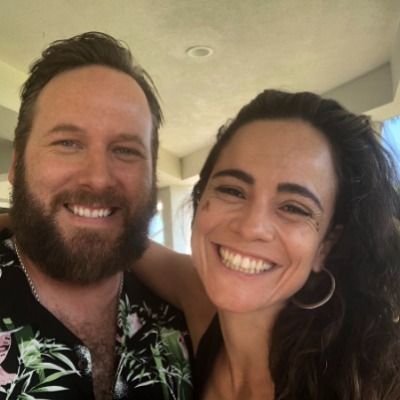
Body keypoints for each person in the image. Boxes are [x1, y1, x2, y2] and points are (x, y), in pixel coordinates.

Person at [0, 32, 193, 400]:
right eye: (67, 143)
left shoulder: (185, 321)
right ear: (17, 163)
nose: (99, 178)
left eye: (126, 150)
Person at [184, 89, 400, 399]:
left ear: (325, 246)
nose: (251, 227)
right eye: (232, 190)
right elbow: (124, 241)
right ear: (200, 198)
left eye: (294, 208)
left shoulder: (379, 382)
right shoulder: (191, 304)